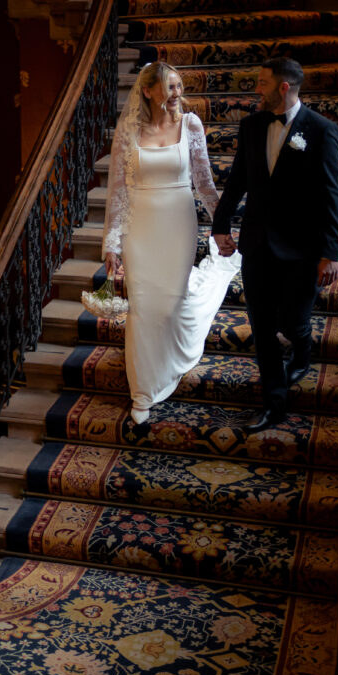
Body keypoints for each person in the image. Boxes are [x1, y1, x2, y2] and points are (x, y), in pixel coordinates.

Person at [103, 61, 241, 426]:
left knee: (171, 305)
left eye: (180, 85)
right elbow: (117, 192)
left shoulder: (190, 125)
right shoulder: (129, 130)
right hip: (140, 228)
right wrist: (112, 243)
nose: (178, 92)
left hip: (178, 224)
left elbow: (204, 182)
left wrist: (221, 227)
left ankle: (175, 355)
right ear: (148, 91)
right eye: (170, 86)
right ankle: (143, 391)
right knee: (144, 307)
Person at [212, 56, 338, 433]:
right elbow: (238, 179)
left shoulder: (321, 131)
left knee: (293, 321)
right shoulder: (252, 126)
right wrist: (221, 224)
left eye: (262, 82)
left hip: (303, 249)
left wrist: (330, 252)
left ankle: (303, 344)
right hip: (256, 245)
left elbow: (333, 195)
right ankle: (274, 402)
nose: (257, 88)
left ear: (283, 87)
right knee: (262, 325)